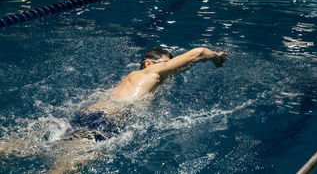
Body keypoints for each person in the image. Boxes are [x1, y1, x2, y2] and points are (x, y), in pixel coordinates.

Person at [0, 47, 228, 173]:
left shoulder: (126, 81)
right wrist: (216, 57)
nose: (169, 68)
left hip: (87, 115)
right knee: (67, 166)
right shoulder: (151, 73)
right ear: (149, 63)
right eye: (166, 62)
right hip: (105, 122)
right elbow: (198, 53)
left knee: (31, 145)